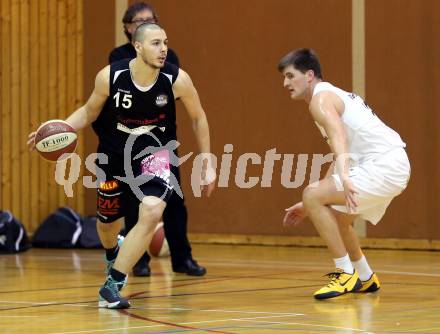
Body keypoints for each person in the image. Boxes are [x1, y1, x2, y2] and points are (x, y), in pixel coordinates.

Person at [28, 23, 215, 309]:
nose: (163, 48)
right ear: (137, 46)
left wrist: (207, 161)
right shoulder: (111, 76)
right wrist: (60, 128)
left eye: (165, 42)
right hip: (114, 154)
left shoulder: (177, 80)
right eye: (155, 43)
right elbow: (90, 112)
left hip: (156, 153)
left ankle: (112, 284)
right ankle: (112, 250)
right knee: (107, 223)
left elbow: (199, 118)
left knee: (152, 210)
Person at [278, 48, 410, 300]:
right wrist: (312, 201)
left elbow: (338, 136)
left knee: (313, 194)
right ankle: (365, 276)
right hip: (390, 165)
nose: (285, 83)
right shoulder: (329, 95)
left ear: (309, 75)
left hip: (385, 165)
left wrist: (332, 186)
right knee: (338, 217)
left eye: (289, 76)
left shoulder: (320, 99)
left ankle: (344, 273)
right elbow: (339, 150)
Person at [108, 1, 206, 277]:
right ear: (129, 30)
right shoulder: (116, 63)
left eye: (150, 20)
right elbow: (97, 108)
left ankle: (181, 257)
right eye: (139, 21)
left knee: (172, 201)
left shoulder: (170, 63)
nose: (163, 48)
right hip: (124, 146)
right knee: (129, 206)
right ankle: (132, 261)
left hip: (159, 146)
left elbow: (183, 104)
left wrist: (207, 159)